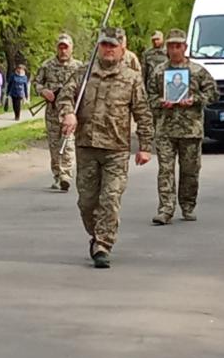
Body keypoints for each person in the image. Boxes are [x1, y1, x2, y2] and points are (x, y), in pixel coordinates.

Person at [59, 27, 154, 269]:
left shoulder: (132, 78)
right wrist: (68, 113)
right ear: (98, 46)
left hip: (116, 149)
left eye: (113, 45)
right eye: (104, 45)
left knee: (110, 199)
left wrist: (145, 146)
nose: (108, 49)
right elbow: (65, 97)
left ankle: (103, 245)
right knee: (87, 203)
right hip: (87, 146)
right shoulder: (83, 74)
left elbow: (143, 114)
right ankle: (96, 234)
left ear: (123, 48)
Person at [147, 28, 218, 225]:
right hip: (165, 129)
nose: (174, 50)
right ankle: (165, 209)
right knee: (165, 170)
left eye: (178, 46)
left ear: (185, 47)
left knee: (190, 171)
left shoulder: (197, 71)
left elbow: (213, 93)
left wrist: (195, 99)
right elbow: (148, 96)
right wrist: (161, 102)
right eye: (171, 46)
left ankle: (187, 205)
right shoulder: (159, 71)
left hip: (190, 130)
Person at [35, 33, 84, 191]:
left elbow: (86, 87)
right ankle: (57, 175)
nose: (63, 51)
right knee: (54, 145)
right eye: (60, 47)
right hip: (52, 112)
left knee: (68, 142)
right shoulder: (47, 66)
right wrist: (43, 91)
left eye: (66, 47)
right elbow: (36, 83)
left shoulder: (79, 67)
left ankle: (65, 175)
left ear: (71, 48)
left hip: (71, 112)